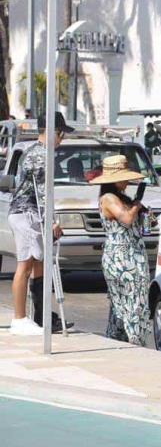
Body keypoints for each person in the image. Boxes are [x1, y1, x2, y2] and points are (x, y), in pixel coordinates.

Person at [7, 113, 73, 335]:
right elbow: (43, 193)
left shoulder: (36, 151)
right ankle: (19, 319)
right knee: (25, 265)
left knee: (37, 264)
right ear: (55, 132)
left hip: (30, 213)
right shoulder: (41, 155)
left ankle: (39, 316)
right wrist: (52, 222)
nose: (62, 140)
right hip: (26, 214)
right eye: (62, 135)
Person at [93, 155, 151, 346]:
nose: (127, 181)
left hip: (129, 256)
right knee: (133, 302)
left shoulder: (119, 197)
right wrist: (135, 206)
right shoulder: (109, 198)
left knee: (124, 304)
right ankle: (134, 342)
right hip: (123, 259)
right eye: (124, 177)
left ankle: (119, 341)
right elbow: (126, 219)